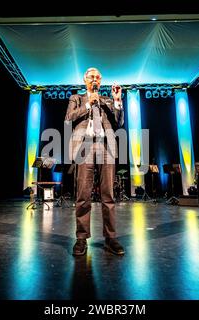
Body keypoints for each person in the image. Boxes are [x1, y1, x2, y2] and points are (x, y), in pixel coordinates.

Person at [65, 67, 125, 256]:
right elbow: (68, 119)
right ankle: (81, 239)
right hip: (84, 147)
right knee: (83, 195)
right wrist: (89, 105)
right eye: (92, 76)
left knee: (108, 195)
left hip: (106, 147)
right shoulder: (76, 98)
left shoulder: (106, 100)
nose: (95, 79)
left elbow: (119, 122)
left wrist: (117, 101)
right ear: (85, 79)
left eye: (98, 77)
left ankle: (110, 238)